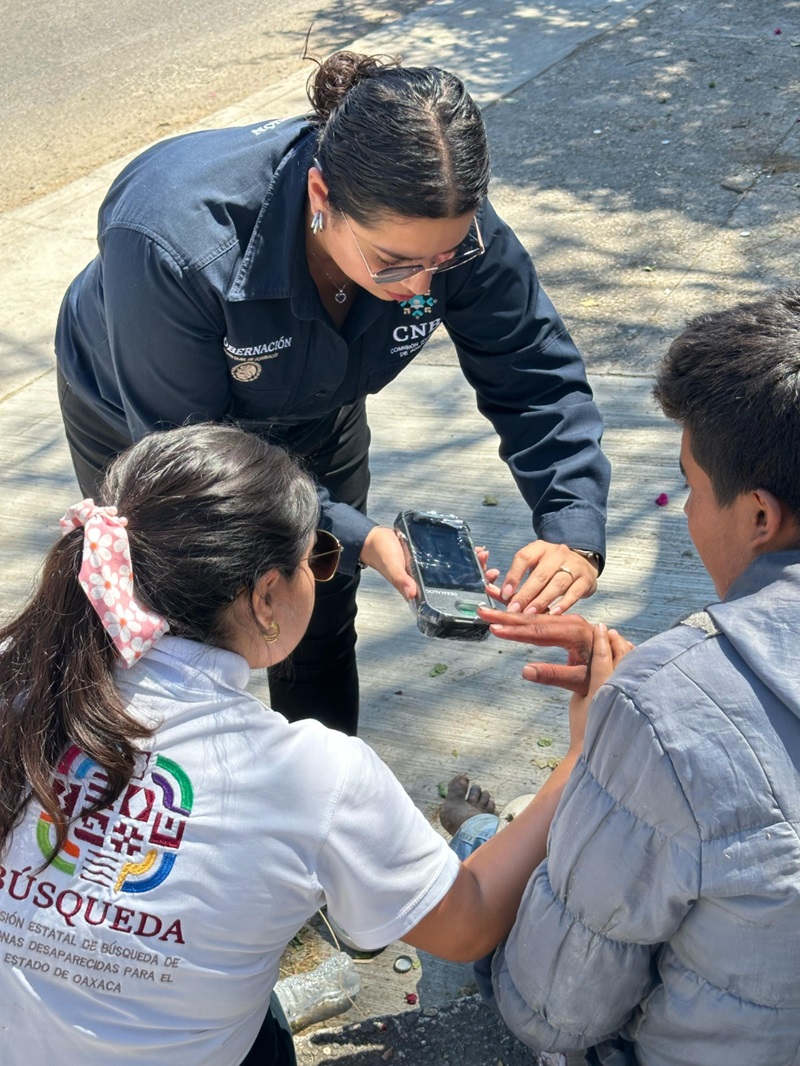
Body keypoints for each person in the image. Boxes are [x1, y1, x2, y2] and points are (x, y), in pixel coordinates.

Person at [54, 50, 611, 736]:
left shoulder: (443, 230)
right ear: (322, 198)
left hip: (319, 404)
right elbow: (194, 456)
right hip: (153, 421)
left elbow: (530, 366)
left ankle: (317, 792)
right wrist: (358, 531)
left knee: (317, 599)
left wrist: (572, 525)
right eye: (395, 264)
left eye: (446, 261)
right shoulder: (172, 240)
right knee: (169, 619)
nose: (422, 288)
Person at [0, 422, 590, 1065]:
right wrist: (584, 753)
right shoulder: (310, 775)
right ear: (266, 598)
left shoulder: (17, 680)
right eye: (321, 558)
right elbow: (468, 923)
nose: (324, 573)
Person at [458, 291, 800, 1064]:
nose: (685, 511)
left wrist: (599, 756)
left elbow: (552, 1010)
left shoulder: (662, 715)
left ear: (757, 517)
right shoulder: (671, 697)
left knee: (485, 850)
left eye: (688, 485)